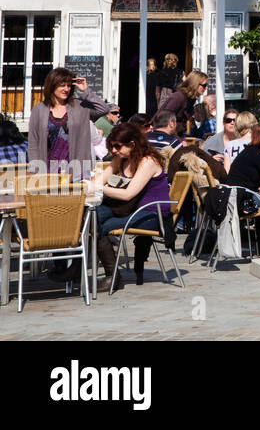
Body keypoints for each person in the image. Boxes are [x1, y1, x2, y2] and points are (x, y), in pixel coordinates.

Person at [87, 123, 172, 290]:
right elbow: (99, 181)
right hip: (131, 209)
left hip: (152, 214)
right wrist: (90, 185)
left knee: (101, 226)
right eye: (111, 147)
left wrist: (97, 188)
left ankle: (113, 277)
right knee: (91, 217)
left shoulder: (148, 161)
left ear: (132, 144)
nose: (114, 151)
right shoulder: (122, 158)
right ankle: (77, 267)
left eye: (117, 146)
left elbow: (128, 194)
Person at [28, 66, 111, 181]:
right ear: (52, 85)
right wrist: (34, 170)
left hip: (77, 167)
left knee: (76, 198)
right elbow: (33, 141)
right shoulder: (39, 109)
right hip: (48, 167)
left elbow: (104, 109)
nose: (66, 89)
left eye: (68, 85)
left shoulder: (80, 106)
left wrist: (85, 90)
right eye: (62, 85)